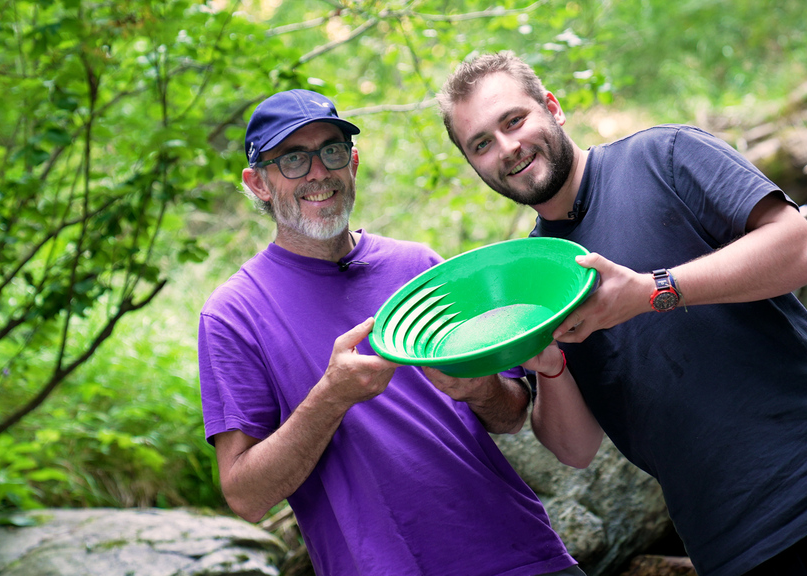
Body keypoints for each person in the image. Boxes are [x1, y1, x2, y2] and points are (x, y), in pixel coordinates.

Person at [437, 52, 807, 576]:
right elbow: (575, 450)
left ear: (552, 109)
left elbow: (805, 251)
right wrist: (550, 365)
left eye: (514, 120)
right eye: (482, 144)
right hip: (732, 547)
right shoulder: (532, 277)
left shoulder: (664, 155)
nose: (508, 148)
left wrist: (652, 291)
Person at [197, 88, 585, 576]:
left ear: (353, 162)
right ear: (258, 183)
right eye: (293, 159)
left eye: (331, 151)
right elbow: (246, 495)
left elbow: (510, 415)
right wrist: (330, 398)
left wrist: (480, 388)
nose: (319, 172)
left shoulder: (418, 265)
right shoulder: (234, 315)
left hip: (524, 557)